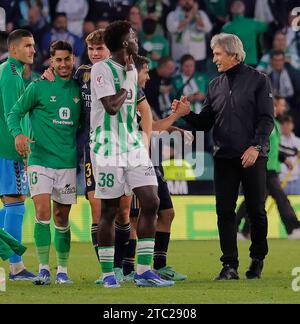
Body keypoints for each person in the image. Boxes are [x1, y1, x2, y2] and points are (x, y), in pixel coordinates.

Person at [173, 33, 274, 280]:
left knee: (256, 210)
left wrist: (256, 148)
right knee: (224, 211)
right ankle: (229, 265)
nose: (214, 58)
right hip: (224, 157)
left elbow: (266, 119)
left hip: (252, 156)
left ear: (233, 54)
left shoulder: (259, 80)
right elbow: (205, 122)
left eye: (218, 53)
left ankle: (257, 257)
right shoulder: (214, 85)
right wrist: (186, 114)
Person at [90, 20, 174, 288]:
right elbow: (112, 108)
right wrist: (128, 82)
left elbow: (138, 110)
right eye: (134, 36)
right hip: (107, 145)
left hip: (132, 144)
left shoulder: (131, 70)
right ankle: (107, 274)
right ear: (125, 43)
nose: (137, 39)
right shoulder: (101, 69)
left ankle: (144, 271)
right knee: (110, 210)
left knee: (151, 200)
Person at [7, 40, 82, 285]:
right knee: (42, 212)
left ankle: (62, 270)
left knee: (62, 218)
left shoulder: (80, 89)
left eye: (67, 59)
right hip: (39, 160)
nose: (62, 64)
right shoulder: (38, 87)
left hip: (67, 162)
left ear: (73, 59)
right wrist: (18, 134)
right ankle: (43, 269)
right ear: (51, 61)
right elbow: (14, 113)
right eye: (57, 60)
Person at [122, 55, 189, 282]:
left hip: (153, 161)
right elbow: (152, 129)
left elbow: (156, 127)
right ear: (135, 72)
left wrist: (177, 130)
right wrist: (176, 117)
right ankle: (129, 268)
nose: (148, 76)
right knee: (134, 217)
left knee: (167, 213)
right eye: (145, 71)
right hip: (136, 161)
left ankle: (159, 265)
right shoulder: (128, 96)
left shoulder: (142, 97)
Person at [236, 97, 300, 241]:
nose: (280, 109)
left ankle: (243, 230)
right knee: (281, 199)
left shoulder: (274, 123)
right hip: (264, 168)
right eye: (277, 106)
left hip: (270, 167)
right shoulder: (265, 124)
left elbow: (274, 148)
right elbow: (264, 145)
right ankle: (294, 228)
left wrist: (283, 159)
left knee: (254, 201)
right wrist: (294, 152)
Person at [0, 29, 36, 281]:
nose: (33, 50)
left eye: (33, 45)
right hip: (7, 148)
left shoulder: (5, 69)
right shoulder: (12, 75)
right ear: (14, 49)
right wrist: (20, 145)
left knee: (9, 202)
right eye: (27, 45)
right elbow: (12, 114)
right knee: (16, 201)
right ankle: (16, 267)